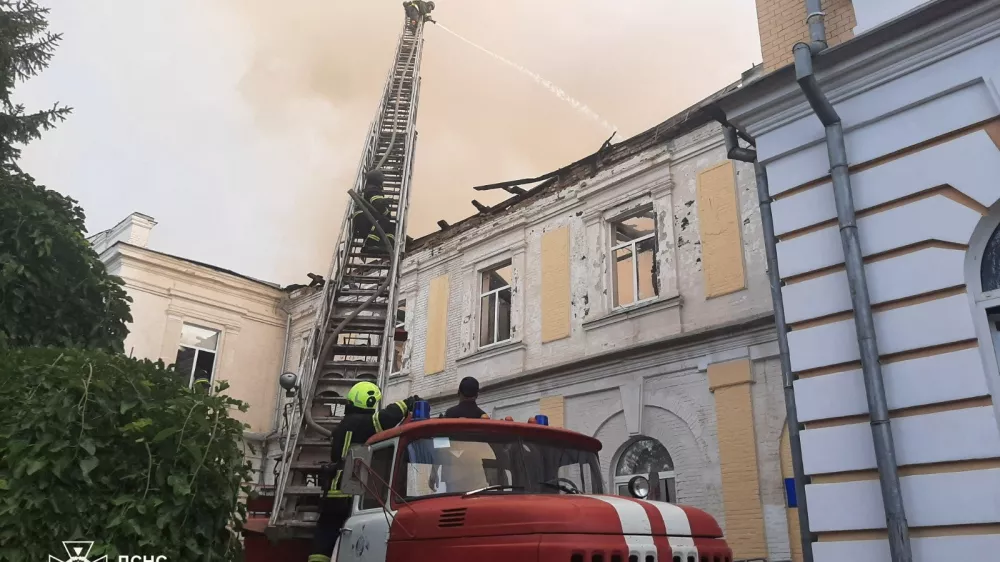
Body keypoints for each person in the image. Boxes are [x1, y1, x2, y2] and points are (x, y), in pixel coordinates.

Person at [309, 382, 421, 562]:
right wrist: (408, 403)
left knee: (326, 533)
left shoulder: (345, 424)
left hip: (334, 489)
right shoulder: (362, 422)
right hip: (351, 490)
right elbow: (386, 417)